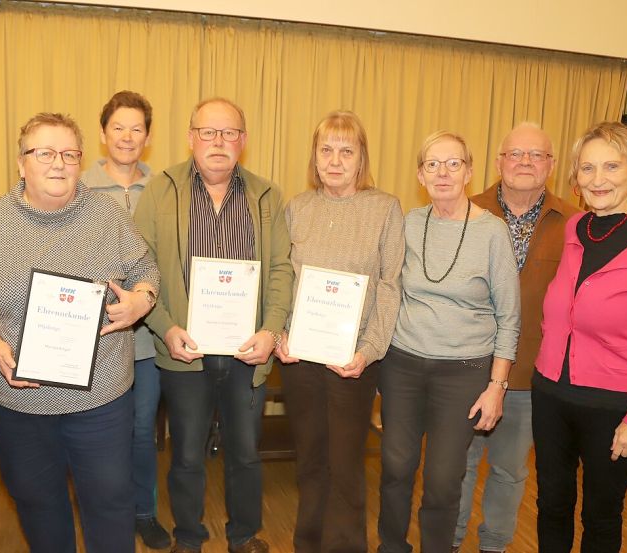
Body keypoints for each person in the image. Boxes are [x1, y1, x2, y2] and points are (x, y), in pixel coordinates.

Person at [0, 112, 159, 553]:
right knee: (37, 501)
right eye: (44, 152)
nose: (58, 163)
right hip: (19, 400)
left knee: (110, 501)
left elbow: (145, 269)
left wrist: (142, 299)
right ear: (21, 162)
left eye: (69, 153)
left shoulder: (108, 216)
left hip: (100, 399)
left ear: (81, 160)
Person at [133, 98, 293, 553]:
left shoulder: (267, 195)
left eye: (229, 133)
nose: (219, 142)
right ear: (191, 137)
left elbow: (281, 269)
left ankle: (244, 535)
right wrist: (164, 328)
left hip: (248, 351)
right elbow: (139, 266)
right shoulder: (161, 191)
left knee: (245, 452)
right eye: (209, 132)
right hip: (185, 351)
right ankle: (189, 536)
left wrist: (272, 331)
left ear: (243, 141)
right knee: (185, 455)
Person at [533, 121, 627, 552]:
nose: (598, 179)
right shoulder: (575, 228)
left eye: (611, 167)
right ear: (576, 179)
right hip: (552, 394)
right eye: (587, 168)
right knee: (552, 505)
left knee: (600, 516)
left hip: (613, 405)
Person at [377, 131, 521, 553]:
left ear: (469, 171)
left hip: (464, 372)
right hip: (402, 364)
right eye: (432, 164)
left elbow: (509, 318)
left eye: (453, 163)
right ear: (420, 174)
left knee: (442, 479)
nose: (443, 173)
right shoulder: (408, 223)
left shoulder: (492, 233)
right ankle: (391, 546)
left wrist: (497, 387)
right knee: (396, 467)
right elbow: (385, 288)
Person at [274, 110, 404, 552]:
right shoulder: (297, 207)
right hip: (300, 359)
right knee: (310, 462)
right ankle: (307, 544)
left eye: (346, 151)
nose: (335, 160)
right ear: (314, 156)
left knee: (345, 465)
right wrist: (281, 336)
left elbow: (390, 286)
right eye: (326, 150)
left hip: (353, 362)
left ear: (361, 158)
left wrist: (368, 351)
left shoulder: (384, 208)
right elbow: (282, 278)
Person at [453, 123, 580, 553]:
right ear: (499, 162)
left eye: (537, 155)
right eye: (516, 154)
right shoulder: (465, 211)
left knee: (509, 472)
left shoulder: (573, 223)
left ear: (552, 165)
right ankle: (448, 543)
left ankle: (494, 546)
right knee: (456, 466)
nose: (525, 162)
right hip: (466, 367)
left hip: (529, 375)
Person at [80, 90, 170, 549]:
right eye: (118, 127)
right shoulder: (76, 186)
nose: (127, 137)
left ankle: (144, 513)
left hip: (147, 339)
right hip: (92, 337)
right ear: (102, 132)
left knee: (141, 430)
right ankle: (103, 514)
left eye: (137, 128)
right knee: (98, 436)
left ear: (148, 137)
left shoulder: (164, 189)